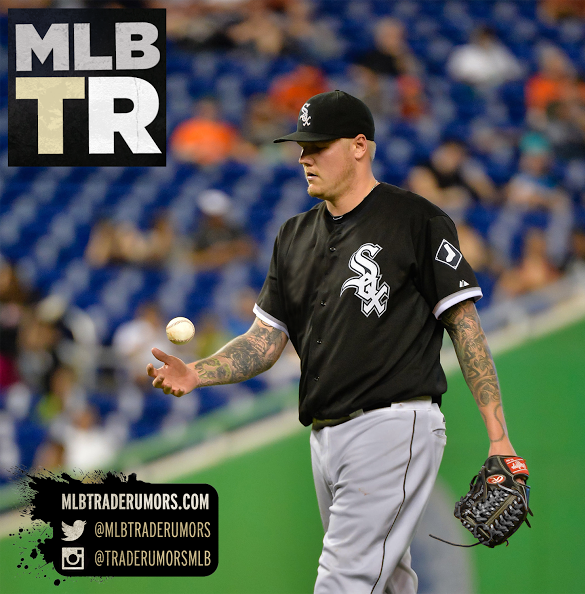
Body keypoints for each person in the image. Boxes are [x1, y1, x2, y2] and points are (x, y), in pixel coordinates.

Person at [148, 91, 524, 594]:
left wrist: (498, 437)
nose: (304, 156)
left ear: (359, 146)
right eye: (301, 146)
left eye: (318, 145)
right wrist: (198, 372)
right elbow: (265, 339)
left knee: (342, 582)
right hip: (325, 437)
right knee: (386, 582)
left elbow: (465, 326)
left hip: (392, 425)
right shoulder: (293, 236)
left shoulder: (415, 219)